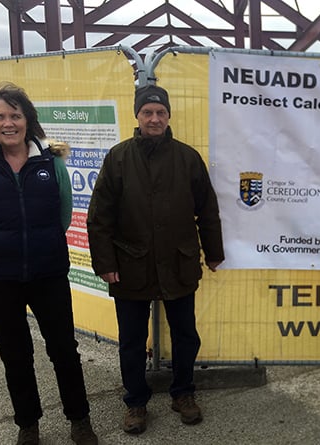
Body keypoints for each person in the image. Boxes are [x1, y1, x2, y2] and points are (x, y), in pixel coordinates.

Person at [86, 84, 224, 435]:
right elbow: (99, 216)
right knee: (132, 340)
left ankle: (183, 393)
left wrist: (213, 253)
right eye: (147, 112)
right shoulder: (117, 158)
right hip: (130, 265)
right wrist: (105, 264)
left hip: (179, 262)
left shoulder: (188, 158)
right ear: (137, 115)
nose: (154, 118)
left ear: (168, 116)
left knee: (185, 335)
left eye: (161, 112)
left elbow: (207, 210)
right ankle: (135, 402)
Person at [0, 82, 98, 445]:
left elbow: (63, 216)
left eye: (15, 115)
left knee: (64, 349)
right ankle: (27, 425)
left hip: (48, 273)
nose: (8, 123)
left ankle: (79, 419)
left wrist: (39, 243)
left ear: (27, 120)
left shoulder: (51, 163)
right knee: (15, 355)